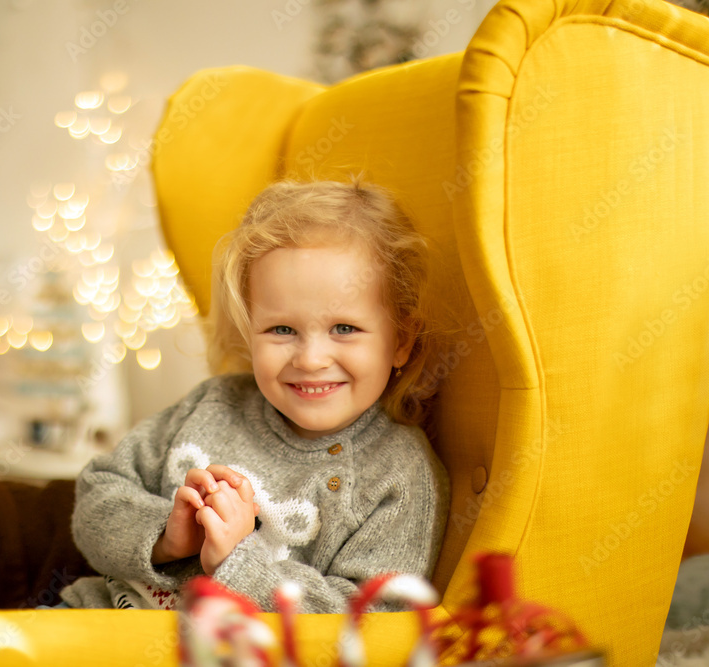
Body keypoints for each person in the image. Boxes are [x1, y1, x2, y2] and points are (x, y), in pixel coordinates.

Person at [59, 178, 450, 612]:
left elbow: (370, 625)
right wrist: (165, 538)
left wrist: (239, 564)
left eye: (345, 329)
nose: (311, 358)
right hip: (93, 620)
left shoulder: (398, 476)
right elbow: (99, 493)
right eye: (282, 329)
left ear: (402, 340)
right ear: (249, 334)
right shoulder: (215, 404)